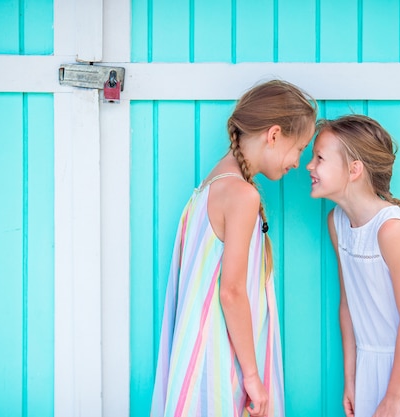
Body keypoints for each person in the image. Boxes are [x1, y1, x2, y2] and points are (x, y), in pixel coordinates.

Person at [150, 80, 318, 417]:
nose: (298, 162)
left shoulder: (207, 189)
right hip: (219, 364)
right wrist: (253, 377)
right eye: (299, 147)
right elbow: (232, 291)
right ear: (273, 135)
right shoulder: (242, 195)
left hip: (199, 359)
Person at [306, 114, 400, 417]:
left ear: (354, 170)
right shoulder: (336, 223)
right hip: (370, 367)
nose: (309, 165)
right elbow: (348, 306)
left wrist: (394, 396)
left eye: (319, 158)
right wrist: (350, 381)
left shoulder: (390, 231)